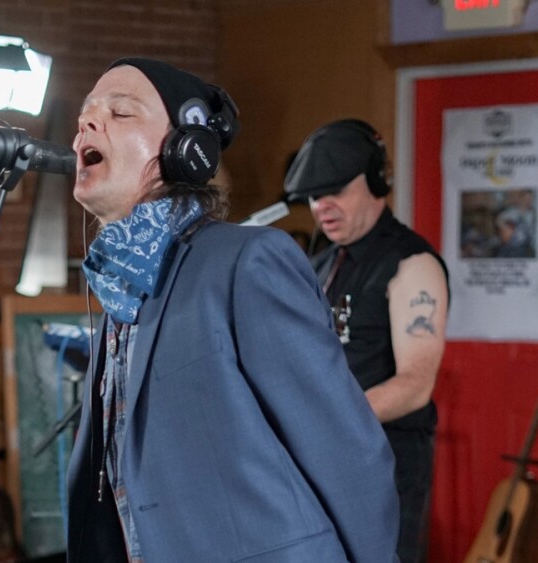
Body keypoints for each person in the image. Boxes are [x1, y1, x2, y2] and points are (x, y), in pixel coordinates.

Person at [66, 58, 400, 562]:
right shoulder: (121, 292)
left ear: (188, 150)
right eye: (85, 117)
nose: (88, 125)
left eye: (121, 112)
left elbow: (346, 451)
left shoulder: (248, 261)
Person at [283, 119, 450, 563]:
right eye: (315, 197)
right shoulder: (316, 267)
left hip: (385, 466)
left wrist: (323, 420)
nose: (323, 207)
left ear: (377, 182)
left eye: (336, 190)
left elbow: (416, 384)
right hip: (319, 463)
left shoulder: (412, 264)